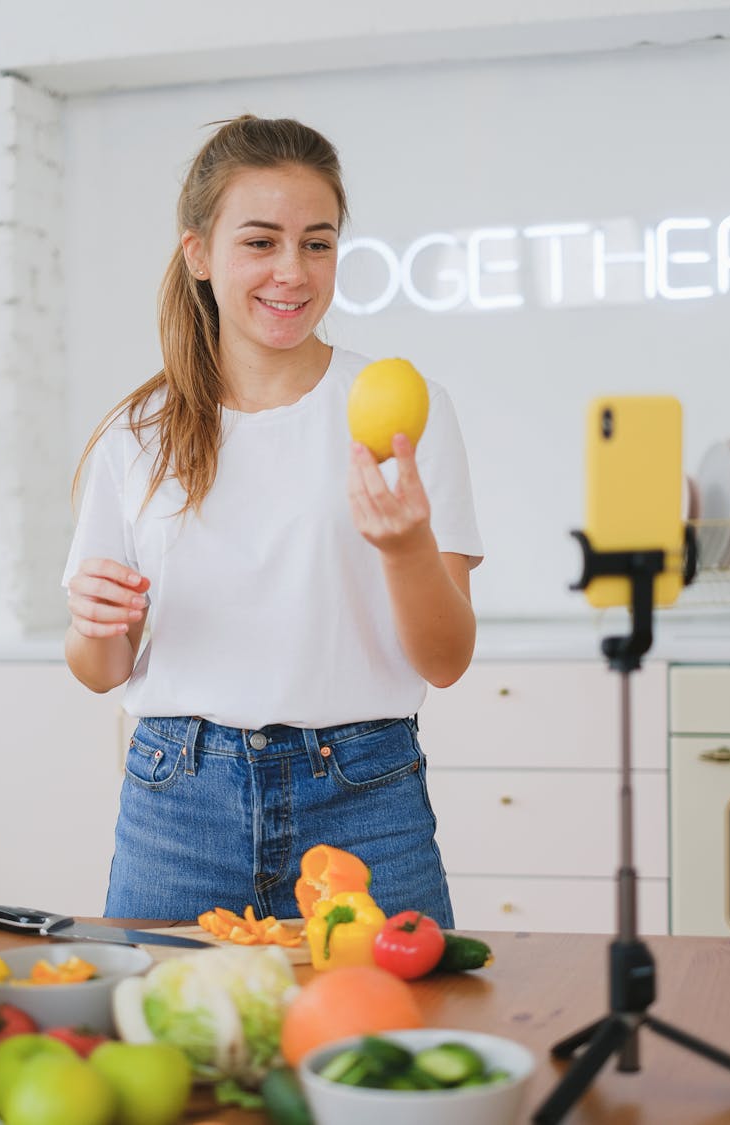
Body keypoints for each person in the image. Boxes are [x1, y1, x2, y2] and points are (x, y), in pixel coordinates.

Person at [63, 114, 483, 925]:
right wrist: (96, 622)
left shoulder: (394, 411)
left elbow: (447, 659)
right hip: (177, 799)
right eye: (261, 242)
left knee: (389, 1046)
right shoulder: (138, 433)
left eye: (317, 243)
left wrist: (403, 549)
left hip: (366, 798)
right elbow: (102, 667)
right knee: (170, 1042)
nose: (293, 271)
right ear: (199, 254)